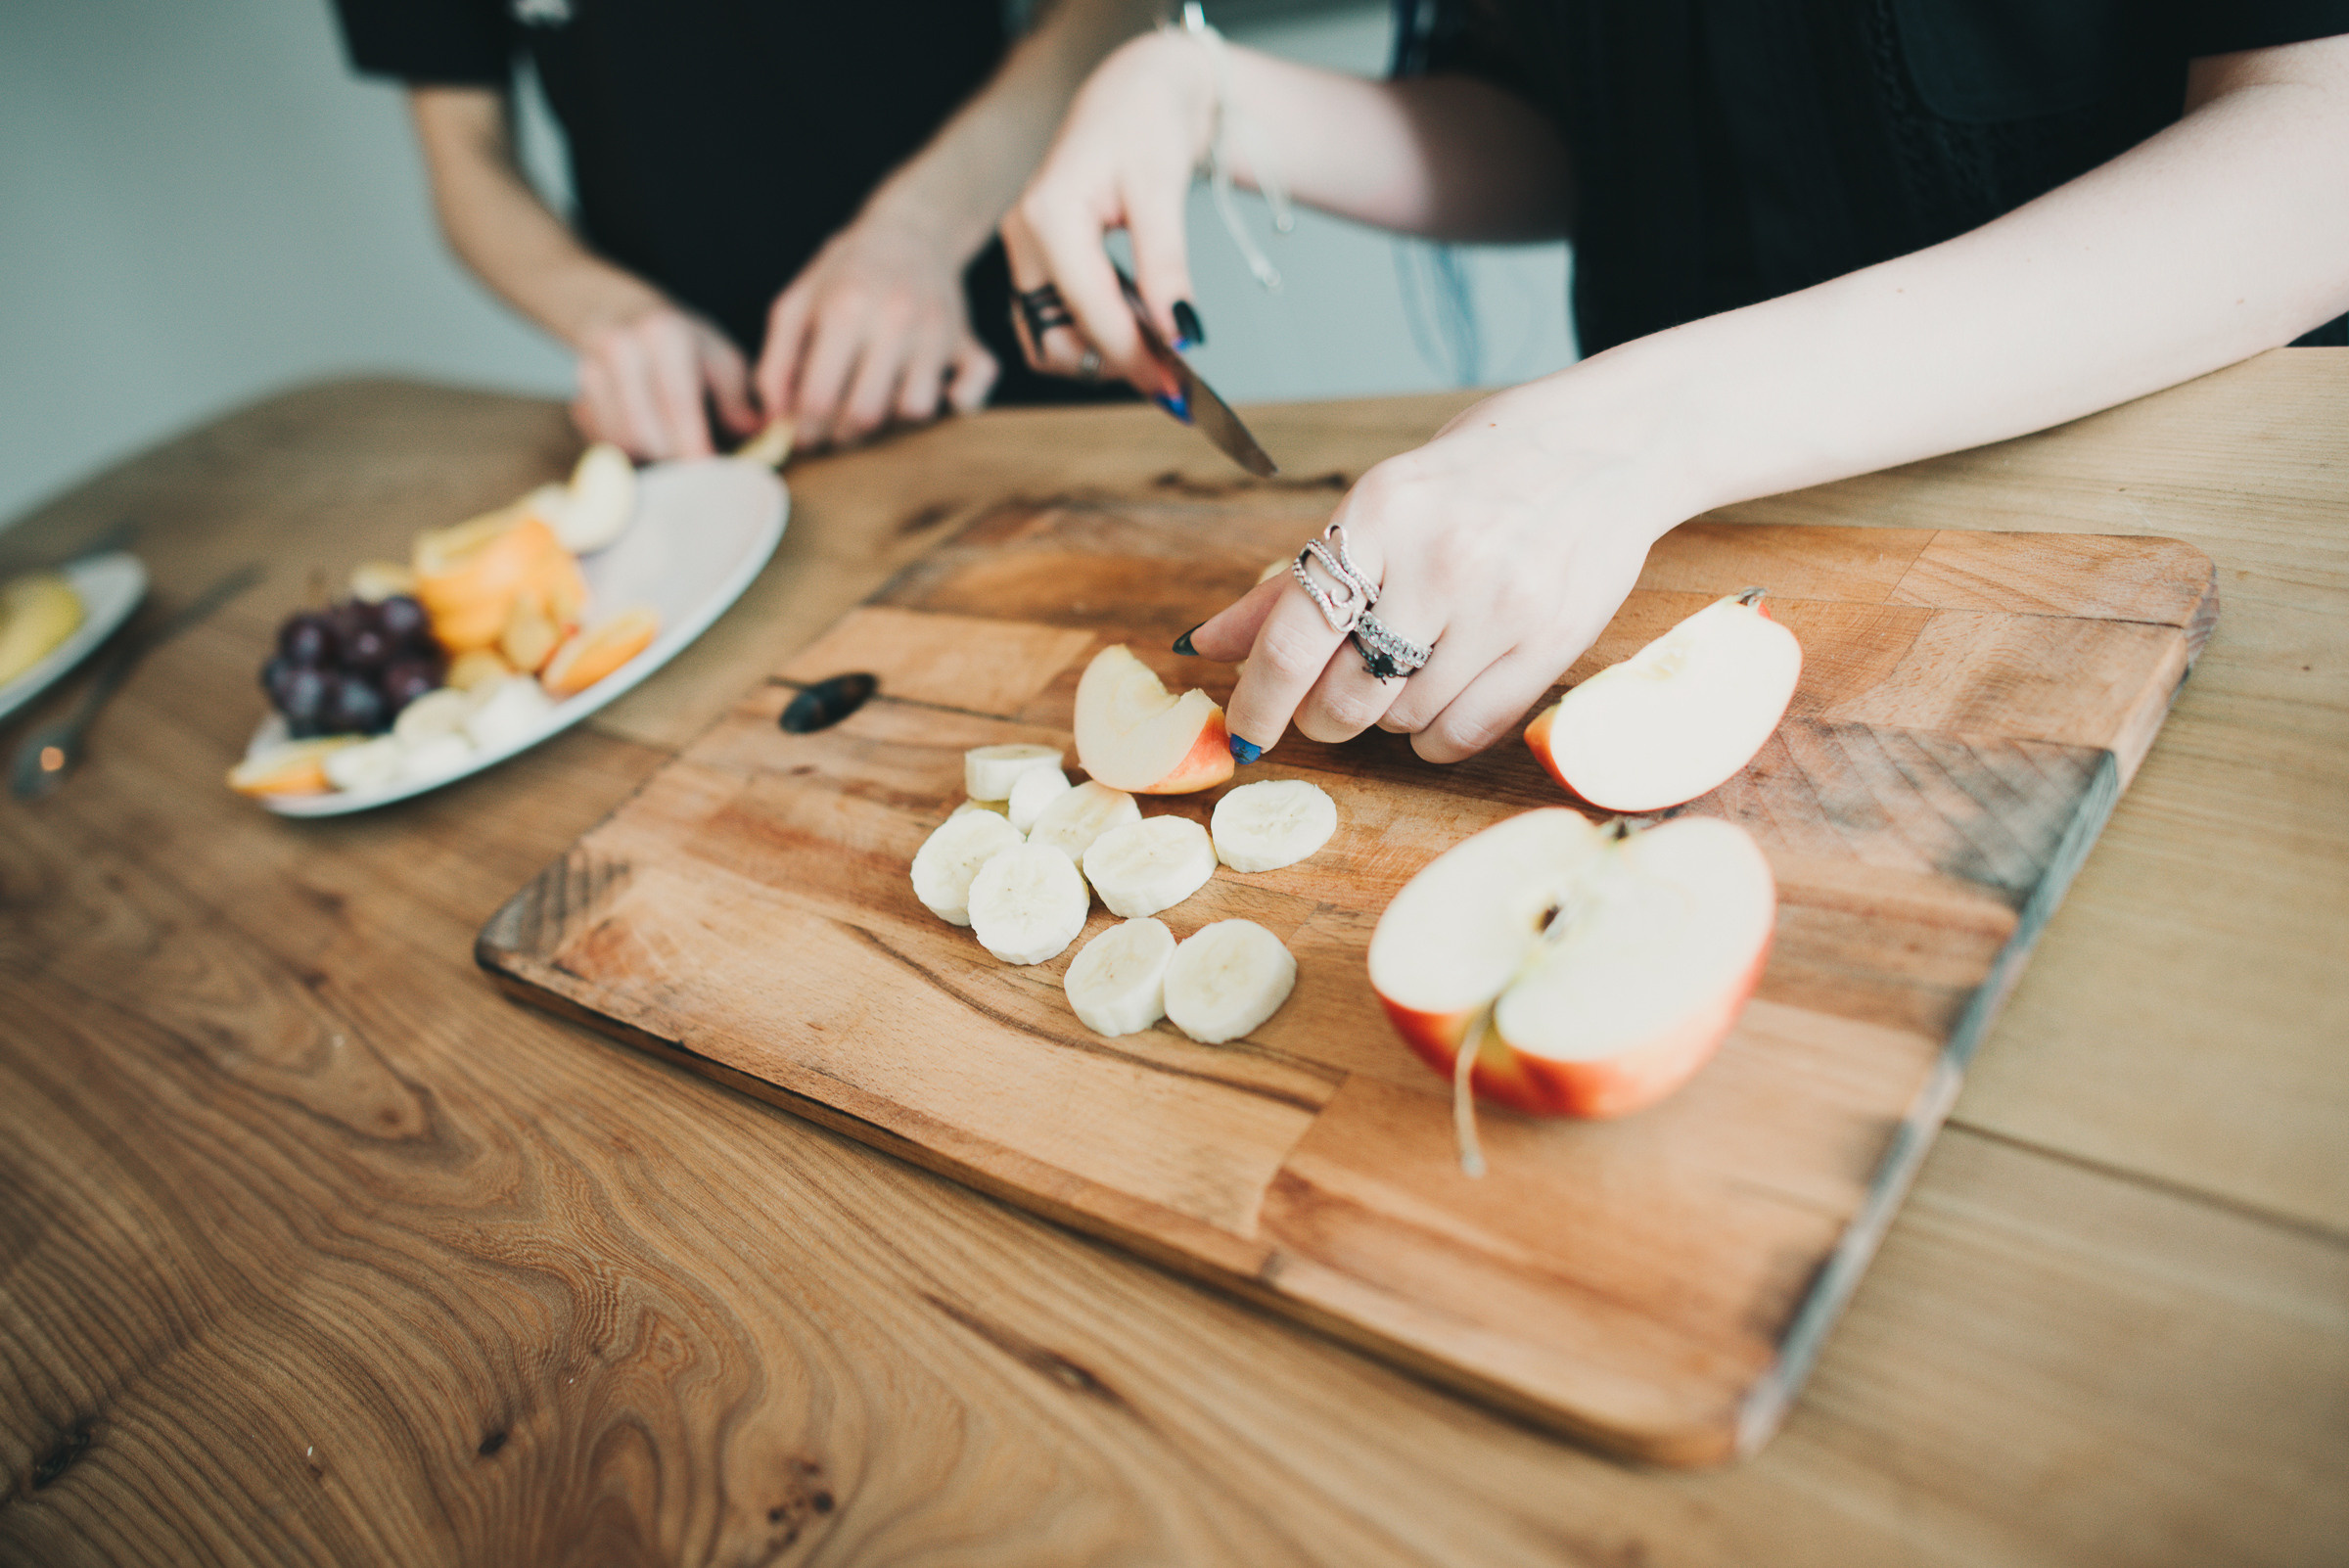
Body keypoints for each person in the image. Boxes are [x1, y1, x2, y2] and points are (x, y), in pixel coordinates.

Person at [1001, 3, 2349, 765]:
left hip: (2191, 558)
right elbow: (1551, 125)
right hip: (1704, 553)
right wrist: (1197, 91)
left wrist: (1635, 429)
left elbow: (2314, 151)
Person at [328, 0, 1159, 459]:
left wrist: (922, 229)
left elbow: (1108, 11)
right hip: (713, 445)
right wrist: (607, 315)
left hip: (1025, 351)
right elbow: (464, 158)